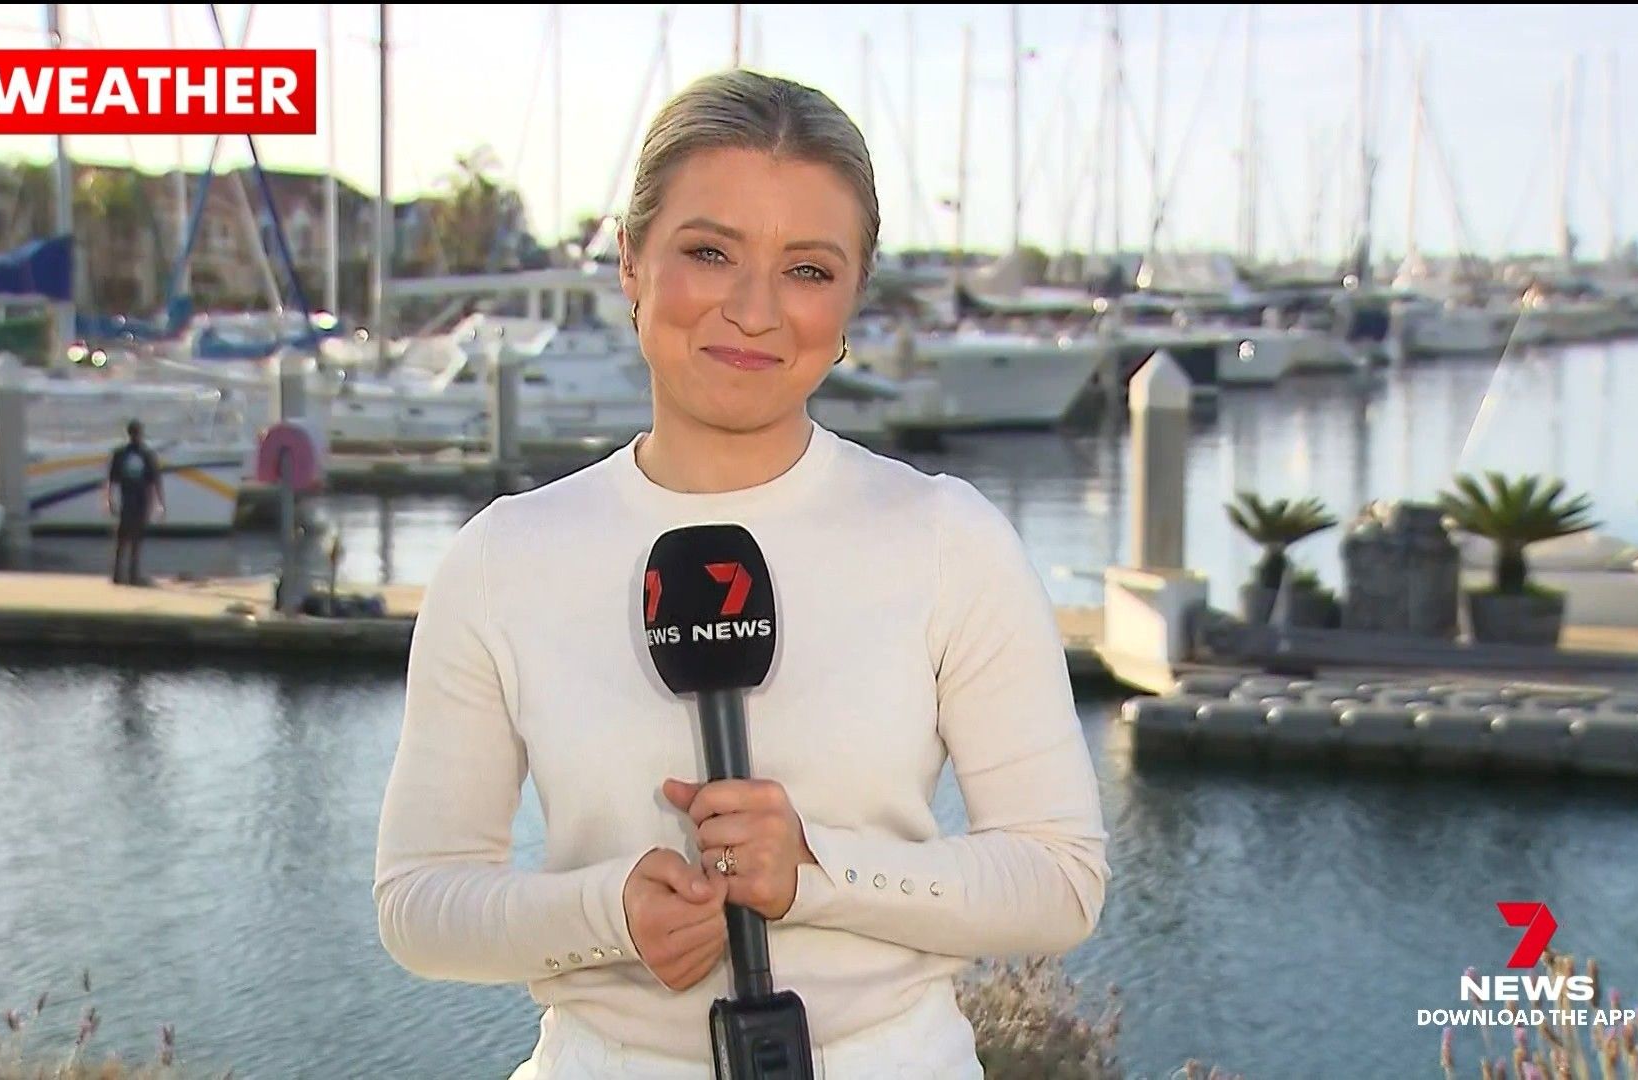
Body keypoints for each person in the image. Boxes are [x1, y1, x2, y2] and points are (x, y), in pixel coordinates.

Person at [372, 69, 1111, 1079]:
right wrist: (605, 912)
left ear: (853, 296)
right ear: (630, 262)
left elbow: (1062, 883)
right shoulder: (504, 558)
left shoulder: (947, 538)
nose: (755, 310)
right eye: (710, 252)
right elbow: (419, 904)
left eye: (807, 269)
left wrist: (818, 872)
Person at [105, 419, 164, 585]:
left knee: (125, 539)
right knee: (132, 538)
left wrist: (109, 499)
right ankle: (129, 575)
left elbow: (111, 480)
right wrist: (159, 503)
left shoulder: (123, 453)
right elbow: (155, 482)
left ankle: (122, 574)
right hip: (137, 500)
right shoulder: (144, 454)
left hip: (131, 499)